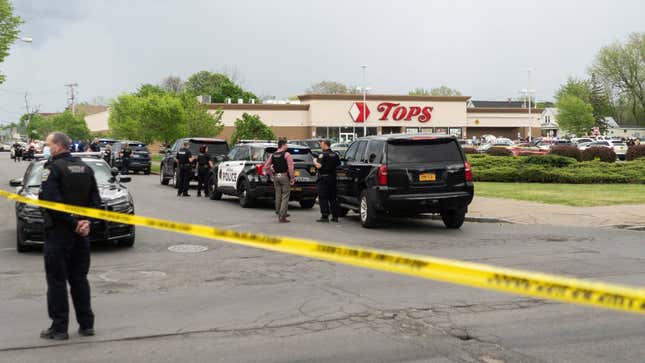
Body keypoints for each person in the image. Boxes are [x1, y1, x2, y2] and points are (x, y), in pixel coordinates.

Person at [38, 132, 100, 341]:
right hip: (81, 234)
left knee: (57, 282)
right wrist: (85, 222)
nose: (46, 148)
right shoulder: (86, 168)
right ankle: (87, 325)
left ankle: (59, 328)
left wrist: (74, 224)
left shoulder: (52, 169)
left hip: (59, 234)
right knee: (79, 279)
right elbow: (96, 202)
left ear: (57, 146)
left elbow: (52, 204)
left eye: (48, 145)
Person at [263, 138, 295, 223]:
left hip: (276, 176)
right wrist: (292, 178)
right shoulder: (287, 154)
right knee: (285, 196)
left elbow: (266, 166)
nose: (287, 146)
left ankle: (278, 211)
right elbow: (291, 168)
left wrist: (271, 174)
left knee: (278, 195)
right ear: (283, 145)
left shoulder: (273, 155)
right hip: (284, 176)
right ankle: (282, 216)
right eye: (286, 144)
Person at [314, 140, 341, 223]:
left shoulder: (323, 154)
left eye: (321, 145)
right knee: (333, 197)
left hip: (324, 178)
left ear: (325, 145)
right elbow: (338, 164)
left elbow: (319, 166)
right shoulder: (335, 155)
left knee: (323, 197)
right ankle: (335, 216)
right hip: (333, 178)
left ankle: (325, 216)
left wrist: (314, 160)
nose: (321, 146)